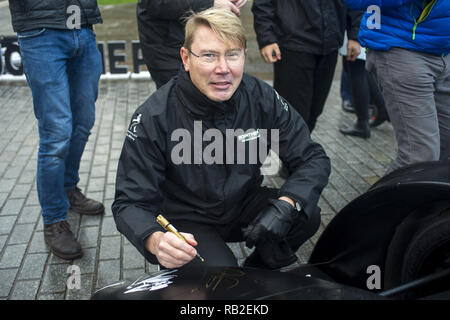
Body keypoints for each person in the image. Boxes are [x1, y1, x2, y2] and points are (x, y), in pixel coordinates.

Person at [112, 8, 331, 270]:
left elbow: (313, 157)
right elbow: (129, 202)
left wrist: (287, 203)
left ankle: (257, 273)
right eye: (209, 56)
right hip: (188, 219)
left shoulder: (261, 97)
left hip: (242, 206)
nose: (223, 68)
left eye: (232, 55)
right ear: (185, 58)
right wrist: (156, 240)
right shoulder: (155, 114)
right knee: (220, 276)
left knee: (305, 214)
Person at [9, 0, 105, 260]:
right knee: (56, 134)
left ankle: (67, 188)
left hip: (83, 27)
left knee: (83, 122)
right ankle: (54, 219)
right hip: (41, 31)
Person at [345, 0, 450, 174]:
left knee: (442, 150)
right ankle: (381, 202)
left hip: (443, 50)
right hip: (402, 48)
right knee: (419, 156)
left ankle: (422, 200)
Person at [251, 0, 362, 133]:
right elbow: (263, 3)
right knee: (292, 114)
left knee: (314, 111)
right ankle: (293, 150)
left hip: (329, 44)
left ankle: (302, 148)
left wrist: (355, 34)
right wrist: (266, 38)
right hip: (293, 44)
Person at [137, 0, 247, 89]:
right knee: (179, 102)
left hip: (205, 41)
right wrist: (211, 3)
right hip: (168, 48)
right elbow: (156, 3)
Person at [339, 33, 387, 139]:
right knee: (359, 68)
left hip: (357, 29)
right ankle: (382, 107)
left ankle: (362, 122)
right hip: (365, 26)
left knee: (356, 68)